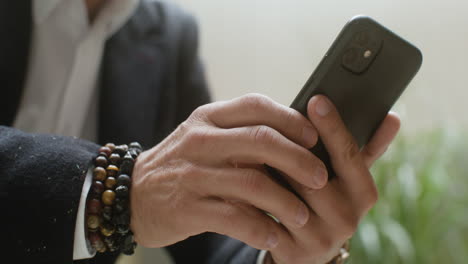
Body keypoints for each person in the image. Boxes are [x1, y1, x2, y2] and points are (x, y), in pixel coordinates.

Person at [1, 0, 401, 263]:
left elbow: (206, 242)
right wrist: (121, 190)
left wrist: (280, 253)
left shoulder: (171, 35)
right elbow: (141, 192)